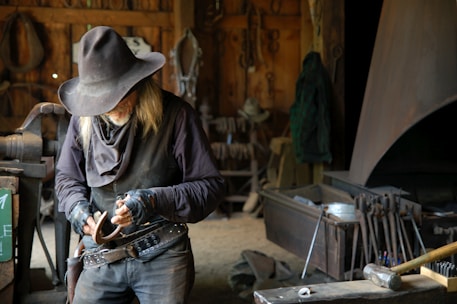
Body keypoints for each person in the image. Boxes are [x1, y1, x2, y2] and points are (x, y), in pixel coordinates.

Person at [55, 26, 225, 304]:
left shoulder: (177, 116)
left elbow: (210, 187)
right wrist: (77, 210)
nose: (108, 106)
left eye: (116, 95)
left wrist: (152, 200)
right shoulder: (83, 120)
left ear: (136, 82)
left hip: (162, 249)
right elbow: (66, 178)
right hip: (102, 254)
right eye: (100, 99)